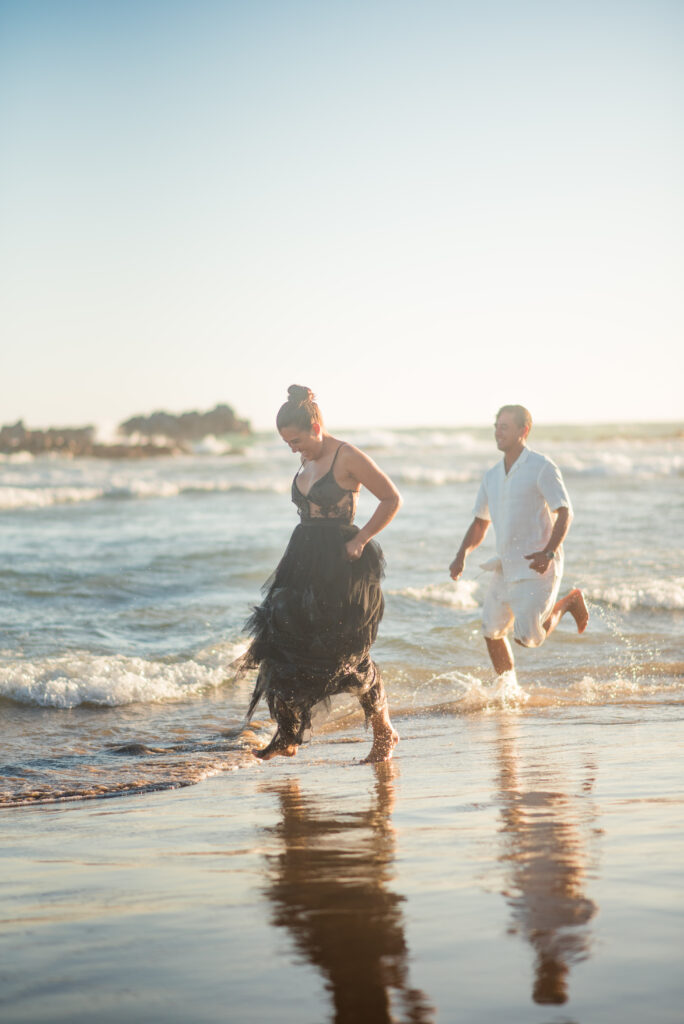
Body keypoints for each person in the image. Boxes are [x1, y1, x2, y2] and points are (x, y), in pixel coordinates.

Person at [242, 385, 401, 762]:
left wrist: (362, 539)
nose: (294, 449)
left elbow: (392, 498)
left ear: (316, 425)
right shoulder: (306, 459)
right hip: (302, 559)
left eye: (296, 440)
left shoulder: (347, 456)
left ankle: (384, 733)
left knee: (345, 653)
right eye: (287, 444)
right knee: (280, 644)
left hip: (343, 562)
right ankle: (288, 734)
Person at [449, 405, 588, 676]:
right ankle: (507, 690)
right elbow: (480, 522)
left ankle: (570, 601)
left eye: (504, 427)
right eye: (496, 426)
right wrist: (461, 554)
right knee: (491, 631)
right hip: (506, 564)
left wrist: (548, 552)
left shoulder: (541, 467)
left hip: (539, 563)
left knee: (528, 638)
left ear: (523, 431)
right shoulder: (491, 476)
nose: (497, 432)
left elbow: (565, 512)